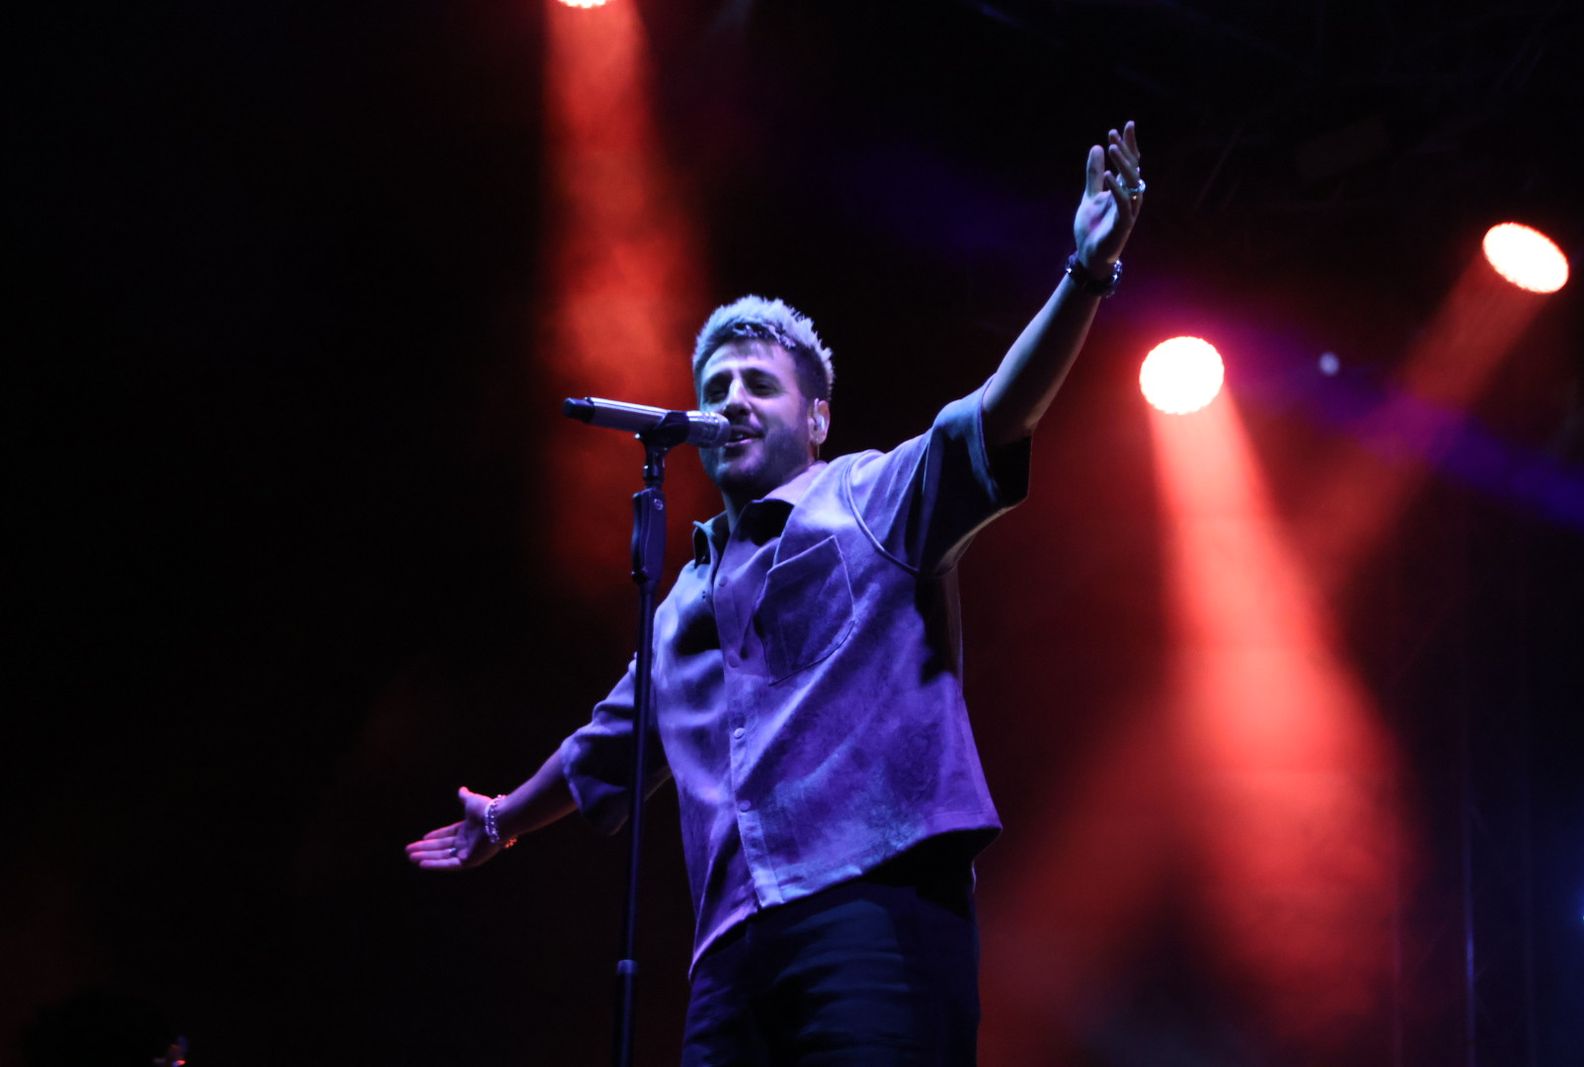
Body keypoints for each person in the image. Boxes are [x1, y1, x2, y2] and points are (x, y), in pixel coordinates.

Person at [408, 121, 1146, 1064]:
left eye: (760, 382)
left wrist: (1085, 274)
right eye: (717, 384)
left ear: (817, 415)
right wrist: (506, 819)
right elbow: (614, 739)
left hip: (870, 903)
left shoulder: (873, 494)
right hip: (730, 948)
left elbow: (994, 412)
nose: (733, 399)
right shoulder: (681, 598)